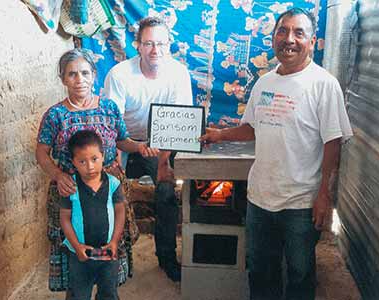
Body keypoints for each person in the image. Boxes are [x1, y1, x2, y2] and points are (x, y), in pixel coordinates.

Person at [201, 8, 353, 300]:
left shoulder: (323, 84)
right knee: (260, 271)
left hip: (301, 201)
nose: (289, 39)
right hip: (260, 197)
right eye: (283, 31)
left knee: (300, 273)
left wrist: (324, 194)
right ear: (273, 38)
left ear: (311, 42)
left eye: (299, 33)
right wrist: (218, 135)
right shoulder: (265, 82)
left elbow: (332, 142)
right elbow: (253, 128)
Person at [36, 48, 157, 294]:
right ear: (62, 79)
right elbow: (41, 153)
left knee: (109, 241)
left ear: (94, 75)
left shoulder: (109, 108)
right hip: (70, 191)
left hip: (108, 188)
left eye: (84, 73)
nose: (79, 80)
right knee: (75, 252)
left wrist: (140, 146)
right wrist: (59, 176)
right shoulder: (55, 115)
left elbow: (122, 140)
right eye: (72, 74)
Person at [103, 16, 193, 281]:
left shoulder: (178, 73)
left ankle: (166, 258)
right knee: (108, 190)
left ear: (169, 45)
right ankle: (111, 257)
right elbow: (112, 127)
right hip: (126, 140)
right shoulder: (119, 75)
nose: (156, 51)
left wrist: (164, 164)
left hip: (161, 141)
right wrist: (116, 162)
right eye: (149, 44)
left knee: (166, 190)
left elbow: (176, 126)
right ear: (138, 45)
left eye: (161, 44)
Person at [60, 130, 124, 300]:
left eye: (94, 159)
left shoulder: (113, 184)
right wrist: (77, 246)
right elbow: (65, 218)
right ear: (73, 162)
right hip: (79, 253)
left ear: (102, 156)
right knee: (79, 294)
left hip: (107, 250)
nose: (90, 166)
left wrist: (114, 241)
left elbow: (120, 212)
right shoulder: (70, 186)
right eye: (82, 161)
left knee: (108, 292)